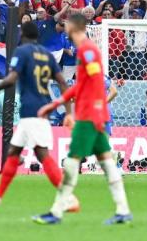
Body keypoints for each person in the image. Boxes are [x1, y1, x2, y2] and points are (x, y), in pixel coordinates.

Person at [32, 13, 132, 226]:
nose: (64, 26)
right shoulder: (84, 51)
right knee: (106, 162)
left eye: (66, 23)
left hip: (89, 116)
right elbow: (81, 85)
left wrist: (95, 109)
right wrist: (56, 103)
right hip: (93, 114)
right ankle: (123, 210)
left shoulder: (87, 51)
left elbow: (96, 81)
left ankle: (57, 212)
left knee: (71, 162)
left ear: (73, 26)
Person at [0, 21, 75, 213]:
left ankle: (68, 197)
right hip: (38, 110)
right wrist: (69, 113)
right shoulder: (47, 55)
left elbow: (12, 78)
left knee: (42, 155)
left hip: (33, 111)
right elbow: (63, 83)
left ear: (22, 34)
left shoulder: (22, 52)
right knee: (13, 154)